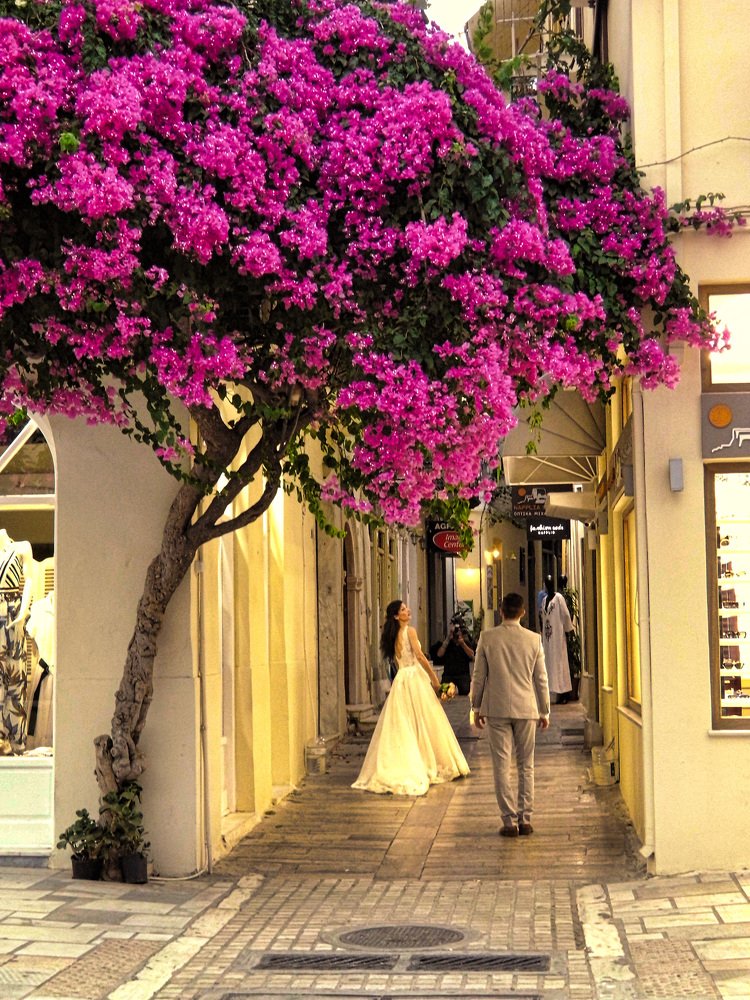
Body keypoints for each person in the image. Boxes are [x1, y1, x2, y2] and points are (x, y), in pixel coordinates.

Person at [353, 599, 470, 796]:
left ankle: (412, 757)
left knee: (405, 721)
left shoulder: (392, 636)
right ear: (397, 616)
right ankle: (426, 761)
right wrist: (435, 681)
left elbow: (398, 663)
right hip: (415, 677)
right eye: (403, 609)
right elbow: (421, 657)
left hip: (401, 679)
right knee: (424, 719)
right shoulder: (410, 631)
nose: (408, 610)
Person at [470, 592, 549, 837]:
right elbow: (541, 679)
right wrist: (544, 709)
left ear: (501, 611)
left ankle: (509, 821)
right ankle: (526, 819)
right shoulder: (534, 640)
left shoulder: (487, 638)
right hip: (526, 708)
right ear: (523, 612)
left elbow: (479, 675)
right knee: (527, 764)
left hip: (496, 708)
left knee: (501, 765)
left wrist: (476, 706)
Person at [0, 529, 34, 755]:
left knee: (14, 675)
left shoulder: (21, 547)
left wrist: (22, 615)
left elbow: (30, 580)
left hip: (13, 613)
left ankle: (14, 741)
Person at [539, 574, 574, 703]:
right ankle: (555, 693)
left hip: (558, 637)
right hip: (548, 639)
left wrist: (568, 630)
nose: (548, 585)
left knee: (560, 663)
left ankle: (564, 693)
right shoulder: (544, 600)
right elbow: (543, 617)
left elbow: (565, 614)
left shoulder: (559, 598)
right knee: (549, 664)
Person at [430, 621, 475, 696]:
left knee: (465, 690)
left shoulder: (465, 642)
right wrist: (447, 639)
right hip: (449, 674)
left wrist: (462, 644)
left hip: (462, 674)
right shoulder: (448, 643)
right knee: (444, 691)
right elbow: (439, 654)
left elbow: (472, 656)